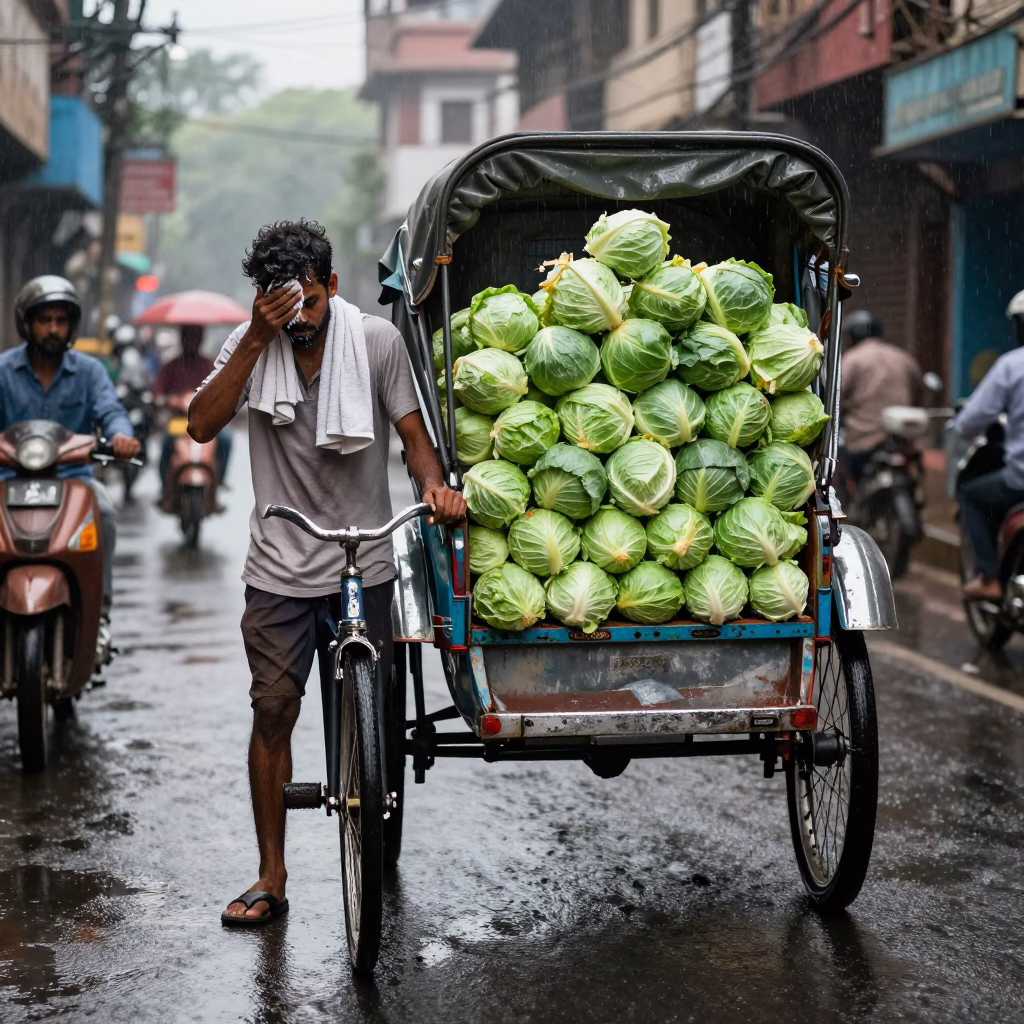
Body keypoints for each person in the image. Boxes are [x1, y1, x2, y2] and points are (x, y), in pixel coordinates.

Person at [187, 220, 466, 927]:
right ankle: (271, 874)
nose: (300, 317)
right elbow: (198, 425)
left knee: (369, 710)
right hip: (279, 564)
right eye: (283, 302)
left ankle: (369, 799)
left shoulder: (374, 341)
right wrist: (254, 337)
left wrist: (434, 489)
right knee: (274, 710)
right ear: (261, 298)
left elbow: (415, 441)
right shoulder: (251, 345)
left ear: (331, 287)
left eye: (309, 300)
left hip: (363, 557)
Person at [0, 276, 141, 633]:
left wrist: (121, 436)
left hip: (73, 479)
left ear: (71, 327)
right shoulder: (3, 371)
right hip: (9, 478)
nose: (52, 329)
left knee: (105, 515)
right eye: (44, 320)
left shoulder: (90, 371)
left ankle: (100, 615)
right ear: (27, 323)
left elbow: (110, 411)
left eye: (60, 321)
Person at [953, 289, 1024, 601]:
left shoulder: (1012, 366)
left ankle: (989, 577)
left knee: (971, 495)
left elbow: (969, 423)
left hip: (1019, 479)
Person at [838, 310, 923, 497]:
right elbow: (918, 391)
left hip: (864, 437)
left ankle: (850, 502)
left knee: (840, 468)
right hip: (902, 438)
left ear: (852, 336)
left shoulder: (852, 359)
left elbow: (838, 394)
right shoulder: (902, 356)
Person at [154, 325, 232, 497]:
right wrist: (170, 400)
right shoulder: (171, 367)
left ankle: (218, 482)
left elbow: (222, 390)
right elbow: (158, 394)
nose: (192, 341)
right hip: (179, 421)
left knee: (226, 440)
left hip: (206, 421)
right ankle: (165, 486)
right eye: (188, 336)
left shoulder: (210, 365)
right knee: (166, 443)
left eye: (196, 336)